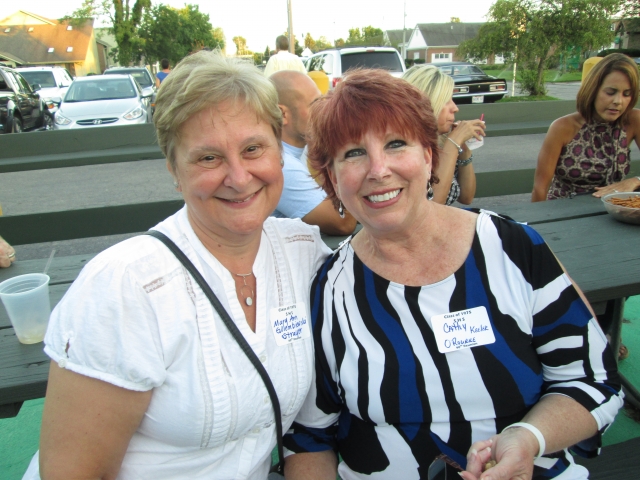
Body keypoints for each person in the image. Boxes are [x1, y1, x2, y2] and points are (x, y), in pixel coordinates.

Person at [283, 70, 623, 480]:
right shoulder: (329, 289)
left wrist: (530, 437)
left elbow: (592, 378)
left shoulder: (511, 247)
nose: (378, 169)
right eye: (353, 153)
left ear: (428, 155)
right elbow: (308, 434)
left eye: (396, 143)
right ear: (333, 179)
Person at [24, 51, 331, 480]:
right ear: (174, 170)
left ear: (279, 153)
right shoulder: (127, 288)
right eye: (208, 158)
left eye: (253, 149)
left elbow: (309, 434)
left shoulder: (303, 254)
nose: (239, 177)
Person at [532, 53, 640, 201]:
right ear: (593, 90)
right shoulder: (563, 127)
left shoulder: (633, 120)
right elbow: (540, 187)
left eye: (627, 94)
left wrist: (635, 181)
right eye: (610, 92)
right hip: (564, 211)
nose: (618, 101)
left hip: (613, 211)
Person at [270, 70, 356, 235]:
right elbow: (342, 222)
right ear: (282, 114)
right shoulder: (282, 164)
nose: (324, 111)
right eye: (316, 104)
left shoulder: (296, 152)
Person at [403, 65, 485, 205]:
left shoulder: (440, 141)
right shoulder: (405, 148)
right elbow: (431, 207)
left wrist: (463, 148)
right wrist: (454, 142)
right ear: (427, 105)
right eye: (447, 101)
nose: (455, 108)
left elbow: (466, 197)